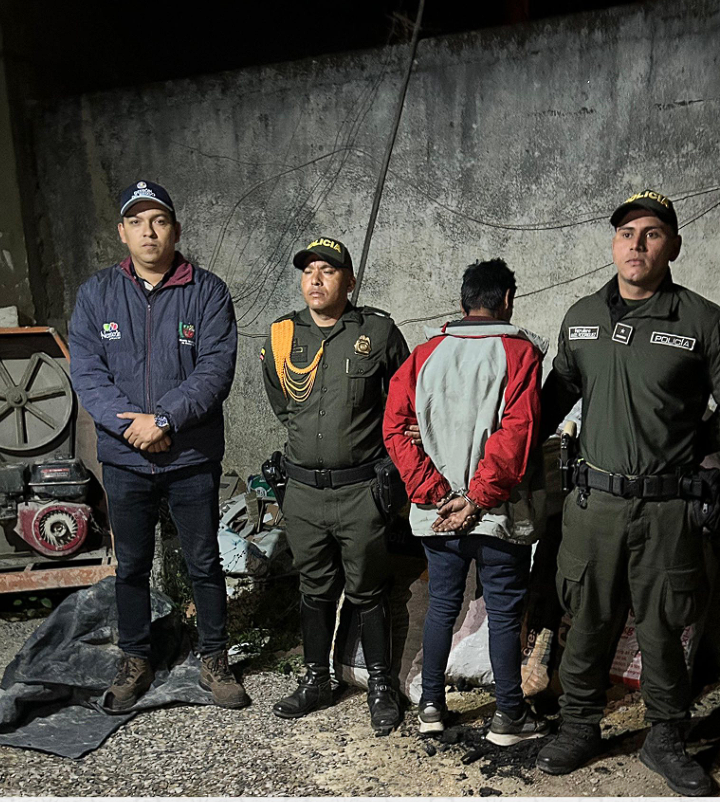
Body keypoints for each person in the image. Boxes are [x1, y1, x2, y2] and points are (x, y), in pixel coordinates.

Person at [534, 190, 720, 795]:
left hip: (667, 509)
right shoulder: (581, 316)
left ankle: (665, 740)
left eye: (652, 233)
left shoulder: (703, 321)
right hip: (594, 506)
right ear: (613, 244)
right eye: (626, 232)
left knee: (663, 627)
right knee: (587, 618)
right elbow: (557, 392)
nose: (636, 243)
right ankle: (580, 726)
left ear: (674, 247)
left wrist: (690, 444)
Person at [69, 180, 246, 710]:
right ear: (122, 233)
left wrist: (164, 418)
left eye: (160, 220)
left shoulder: (208, 292)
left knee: (203, 558)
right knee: (130, 565)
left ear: (175, 229)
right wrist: (133, 427)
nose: (149, 232)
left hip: (190, 454)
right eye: (138, 222)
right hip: (125, 457)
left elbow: (216, 370)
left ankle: (215, 660)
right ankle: (136, 660)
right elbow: (87, 371)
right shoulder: (97, 294)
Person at [383, 259, 549, 745]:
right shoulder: (519, 354)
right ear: (507, 300)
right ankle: (508, 717)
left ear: (462, 302)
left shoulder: (424, 354)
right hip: (500, 514)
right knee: (502, 613)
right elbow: (517, 436)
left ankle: (431, 707)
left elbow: (394, 429)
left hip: (438, 515)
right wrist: (476, 499)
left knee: (441, 607)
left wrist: (437, 494)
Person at [261, 236, 409, 734]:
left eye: (328, 270)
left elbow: (401, 403)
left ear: (349, 281)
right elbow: (284, 406)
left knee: (370, 592)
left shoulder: (378, 333)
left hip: (360, 490)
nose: (316, 279)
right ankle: (316, 680)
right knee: (314, 588)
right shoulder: (281, 336)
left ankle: (382, 686)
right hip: (303, 492)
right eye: (309, 271)